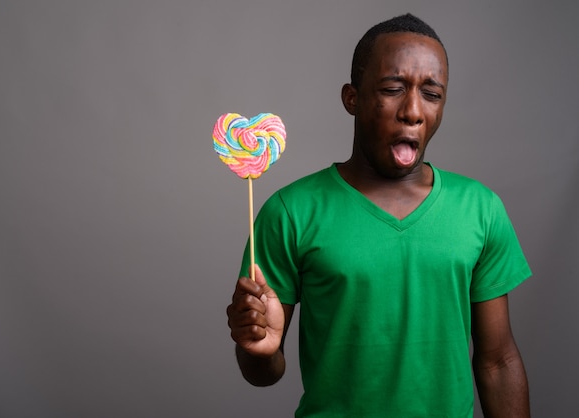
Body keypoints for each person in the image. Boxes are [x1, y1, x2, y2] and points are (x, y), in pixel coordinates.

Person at [226, 13, 531, 417]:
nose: (413, 111)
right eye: (392, 89)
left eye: (432, 94)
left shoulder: (480, 209)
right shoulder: (290, 212)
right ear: (352, 98)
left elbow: (498, 361)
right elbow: (263, 371)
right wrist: (258, 348)